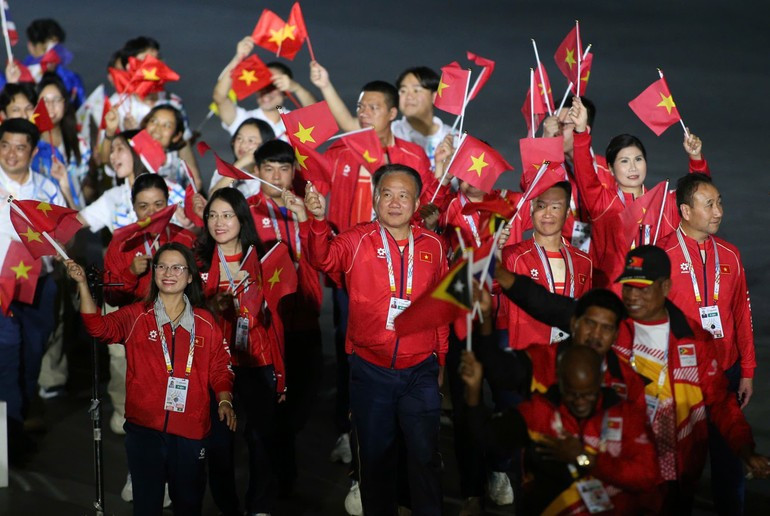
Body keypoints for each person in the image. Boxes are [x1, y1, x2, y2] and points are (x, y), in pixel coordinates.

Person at [496, 245, 770, 512]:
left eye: (643, 288)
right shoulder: (610, 326)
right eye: (628, 286)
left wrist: (745, 449)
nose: (632, 296)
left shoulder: (694, 342)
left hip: (675, 479)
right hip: (611, 470)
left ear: (665, 287)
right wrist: (503, 276)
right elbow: (550, 306)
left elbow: (722, 404)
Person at [305, 164, 448, 515]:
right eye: (387, 194)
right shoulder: (357, 240)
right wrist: (317, 221)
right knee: (375, 460)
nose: (395, 202)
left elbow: (441, 308)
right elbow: (321, 258)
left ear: (417, 204)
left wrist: (441, 359)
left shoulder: (434, 245)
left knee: (425, 457)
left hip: (420, 371)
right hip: (371, 371)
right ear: (375, 200)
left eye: (404, 196)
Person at [66, 242, 236, 516]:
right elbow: (99, 328)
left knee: (189, 504)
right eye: (162, 266)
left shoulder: (205, 322)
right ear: (154, 273)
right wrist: (83, 285)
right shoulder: (136, 315)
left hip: (191, 430)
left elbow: (220, 366)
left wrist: (224, 399)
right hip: (144, 428)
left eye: (177, 267)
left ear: (190, 276)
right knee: (146, 505)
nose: (169, 273)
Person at [461, 345, 661, 515]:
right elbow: (485, 438)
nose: (580, 402)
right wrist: (473, 393)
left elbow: (646, 476)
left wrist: (585, 459)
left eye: (588, 394)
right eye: (572, 394)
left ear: (600, 383)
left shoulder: (625, 414)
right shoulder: (540, 412)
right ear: (561, 384)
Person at [657, 173, 755, 515]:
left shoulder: (730, 254)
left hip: (724, 373)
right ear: (685, 210)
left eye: (720, 203)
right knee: (678, 467)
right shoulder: (662, 256)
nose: (718, 212)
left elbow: (742, 313)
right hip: (679, 379)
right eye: (709, 204)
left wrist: (747, 370)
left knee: (729, 460)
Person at [197, 187, 284, 515]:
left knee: (261, 440)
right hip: (216, 365)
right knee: (219, 444)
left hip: (257, 361)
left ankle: (259, 506)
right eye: (212, 215)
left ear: (241, 219)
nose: (218, 222)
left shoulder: (264, 259)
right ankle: (228, 507)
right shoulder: (198, 262)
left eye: (227, 215)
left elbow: (280, 315)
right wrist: (209, 306)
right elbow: (182, 309)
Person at [246, 140, 323, 494]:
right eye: (269, 169)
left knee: (300, 402)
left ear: (294, 172)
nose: (277, 176)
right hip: (266, 324)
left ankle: (281, 464)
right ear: (257, 172)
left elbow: (324, 258)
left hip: (304, 318)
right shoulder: (246, 211)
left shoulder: (307, 208)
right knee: (268, 406)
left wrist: (307, 219)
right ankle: (275, 480)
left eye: (284, 169)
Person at [567, 96, 708, 287]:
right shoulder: (602, 203)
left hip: (654, 295)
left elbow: (698, 193)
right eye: (624, 161)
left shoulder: (663, 204)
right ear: (610, 168)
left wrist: (696, 158)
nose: (633, 167)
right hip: (613, 296)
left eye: (638, 159)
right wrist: (581, 131)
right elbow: (585, 173)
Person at [0, 118, 65, 464]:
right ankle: (8, 437)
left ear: (33, 150)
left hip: (39, 285)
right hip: (1, 287)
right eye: (5, 145)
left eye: (20, 146)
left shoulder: (46, 190)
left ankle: (17, 423)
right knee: (8, 356)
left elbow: (64, 234)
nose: (11, 154)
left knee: (31, 359)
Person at [502, 181, 593, 350]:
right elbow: (486, 287)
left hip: (567, 360)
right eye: (541, 206)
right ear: (531, 209)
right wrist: (493, 249)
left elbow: (584, 313)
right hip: (526, 358)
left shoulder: (584, 261)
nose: (547, 214)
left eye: (556, 207)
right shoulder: (511, 256)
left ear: (567, 213)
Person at [213, 36, 315, 139]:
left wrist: (297, 88)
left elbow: (318, 115)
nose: (266, 91)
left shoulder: (297, 124)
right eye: (262, 83)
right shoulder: (243, 120)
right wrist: (238, 57)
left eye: (274, 85)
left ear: (286, 91)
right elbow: (220, 97)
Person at [33, 73, 92, 209]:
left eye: (57, 100)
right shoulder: (31, 143)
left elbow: (84, 184)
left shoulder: (80, 142)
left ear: (65, 104)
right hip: (41, 215)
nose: (51, 106)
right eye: (45, 100)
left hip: (75, 214)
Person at [208, 117, 275, 196]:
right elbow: (212, 198)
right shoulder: (221, 172)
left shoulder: (273, 175)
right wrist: (238, 165)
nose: (243, 145)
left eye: (251, 140)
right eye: (239, 138)